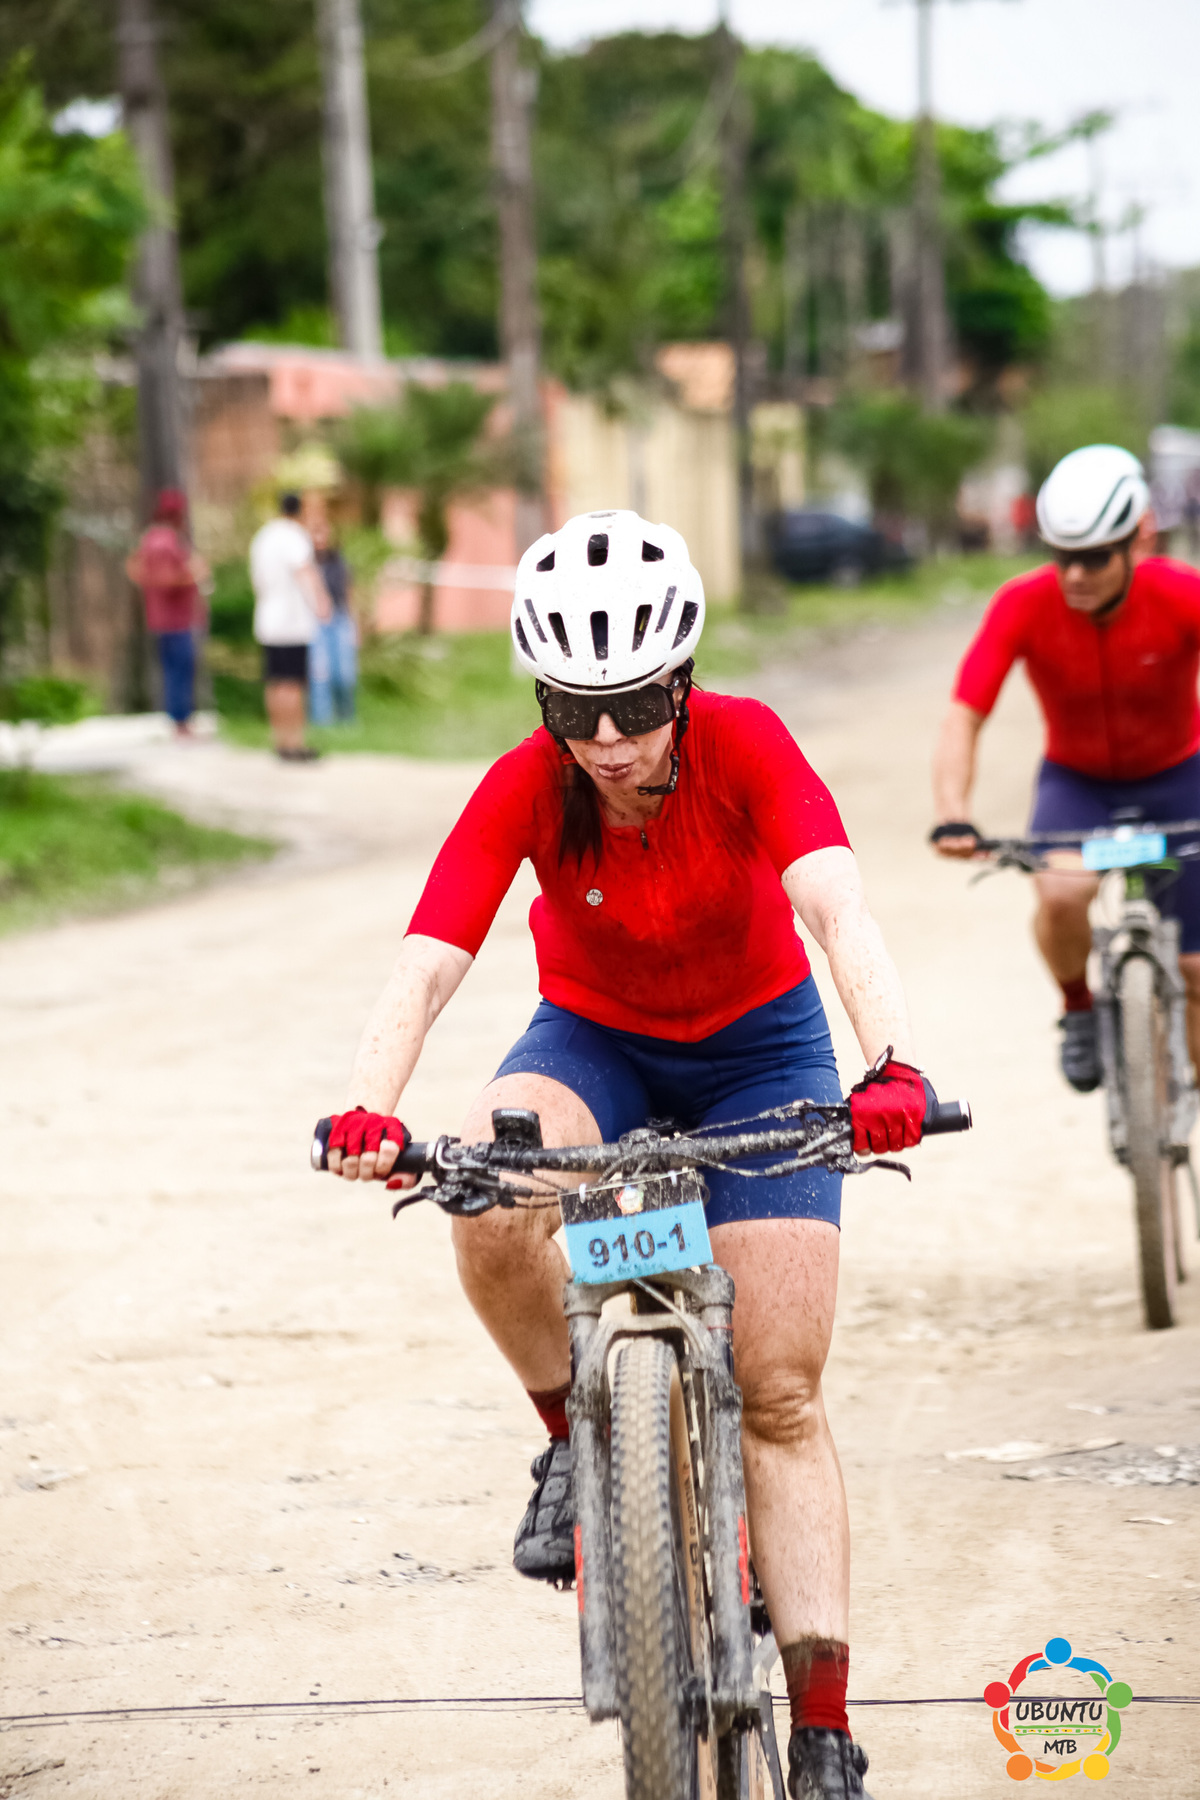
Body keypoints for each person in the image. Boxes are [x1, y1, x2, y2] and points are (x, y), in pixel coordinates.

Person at [324, 510, 944, 1800]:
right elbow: (428, 960)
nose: (607, 740)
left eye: (638, 705)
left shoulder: (748, 743)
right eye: (574, 710)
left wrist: (890, 1063)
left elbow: (838, 905)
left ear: (684, 681)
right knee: (489, 1192)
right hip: (593, 1044)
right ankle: (573, 1443)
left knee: (777, 1390)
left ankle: (824, 1731)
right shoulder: (530, 780)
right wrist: (369, 1107)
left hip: (762, 1053)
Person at [932, 443, 1200, 1092]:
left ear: (1138, 541)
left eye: (1095, 558)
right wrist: (953, 815)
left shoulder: (1181, 593)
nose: (1075, 575)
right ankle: (1079, 1007)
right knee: (1059, 894)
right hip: (1078, 784)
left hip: (1179, 776)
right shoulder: (1023, 604)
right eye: (1062, 557)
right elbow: (964, 715)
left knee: (1196, 973)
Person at [249, 493, 330, 761]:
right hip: (292, 621)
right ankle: (295, 741)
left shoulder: (264, 536)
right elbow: (304, 570)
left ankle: (279, 739)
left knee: (275, 682)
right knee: (293, 683)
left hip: (268, 618)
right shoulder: (295, 536)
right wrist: (321, 602)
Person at [125, 488, 209, 737]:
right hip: (176, 619)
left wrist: (148, 586)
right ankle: (180, 721)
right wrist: (193, 574)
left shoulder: (149, 538)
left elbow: (133, 568)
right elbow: (165, 579)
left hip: (160, 617)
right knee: (181, 669)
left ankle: (178, 719)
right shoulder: (166, 541)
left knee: (173, 669)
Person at [308, 519, 358, 726]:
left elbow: (349, 593)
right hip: (315, 621)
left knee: (344, 673)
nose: (320, 539)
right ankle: (322, 722)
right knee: (319, 674)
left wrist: (354, 625)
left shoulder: (339, 561)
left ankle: (347, 719)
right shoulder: (305, 562)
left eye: (323, 533)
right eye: (315, 533)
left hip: (339, 618)